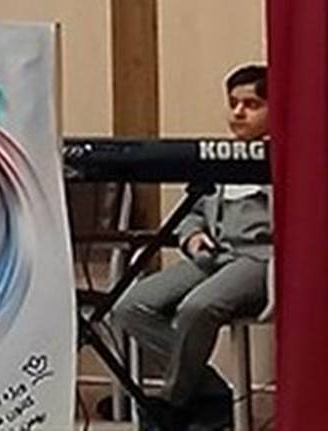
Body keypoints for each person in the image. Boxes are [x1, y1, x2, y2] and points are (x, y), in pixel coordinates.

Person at [111, 64, 271, 431]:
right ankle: (212, 393)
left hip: (259, 258)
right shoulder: (217, 157)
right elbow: (191, 212)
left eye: (252, 105)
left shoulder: (289, 158)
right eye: (233, 104)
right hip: (212, 254)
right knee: (129, 306)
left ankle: (173, 401)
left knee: (197, 307)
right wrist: (193, 235)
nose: (239, 113)